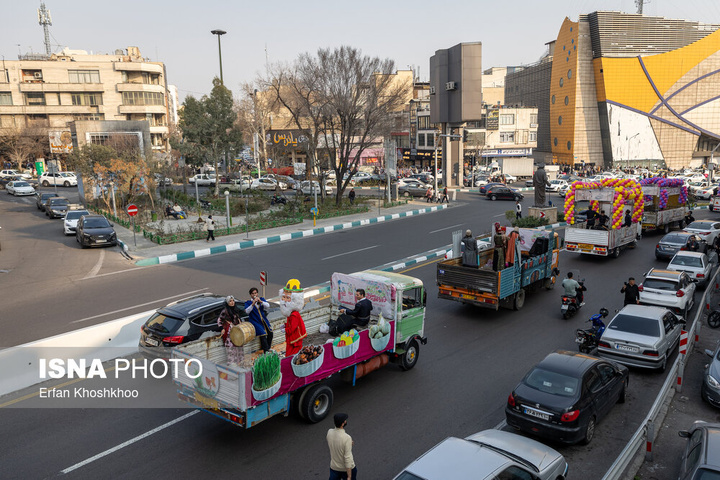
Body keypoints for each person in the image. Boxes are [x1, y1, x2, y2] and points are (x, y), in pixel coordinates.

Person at [279, 279, 307, 356]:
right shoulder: (290, 312)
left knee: (292, 354)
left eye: (287, 298)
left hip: (294, 338)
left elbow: (293, 328)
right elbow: (290, 324)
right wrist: (285, 325)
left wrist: (285, 330)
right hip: (292, 338)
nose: (284, 300)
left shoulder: (294, 315)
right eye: (283, 297)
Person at [327, 413, 356, 480]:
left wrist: (348, 443)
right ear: (342, 424)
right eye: (345, 420)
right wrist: (349, 476)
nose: (346, 421)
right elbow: (347, 458)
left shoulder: (329, 432)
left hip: (334, 468)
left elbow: (334, 443)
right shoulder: (347, 438)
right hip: (346, 470)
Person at [244, 287, 274, 353]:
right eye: (253, 294)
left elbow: (268, 306)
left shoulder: (261, 299)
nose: (254, 295)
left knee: (270, 333)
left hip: (263, 320)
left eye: (255, 293)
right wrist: (253, 303)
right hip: (255, 321)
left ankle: (268, 348)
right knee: (262, 335)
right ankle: (266, 351)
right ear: (250, 295)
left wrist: (261, 301)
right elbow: (247, 311)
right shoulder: (248, 302)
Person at [217, 296, 244, 364]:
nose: (232, 302)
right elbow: (219, 320)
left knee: (239, 348)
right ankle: (232, 366)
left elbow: (238, 319)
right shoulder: (225, 311)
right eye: (230, 301)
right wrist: (221, 328)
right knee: (231, 350)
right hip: (229, 333)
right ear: (227, 302)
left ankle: (240, 364)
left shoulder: (235, 309)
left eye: (233, 301)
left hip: (237, 332)